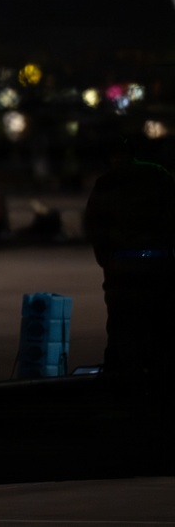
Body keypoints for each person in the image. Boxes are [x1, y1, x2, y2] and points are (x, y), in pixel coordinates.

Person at [84, 135, 175, 472]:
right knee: (162, 329)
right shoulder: (161, 176)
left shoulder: (107, 183)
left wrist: (107, 261)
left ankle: (125, 396)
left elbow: (94, 226)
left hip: (123, 268)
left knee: (122, 329)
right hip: (161, 266)